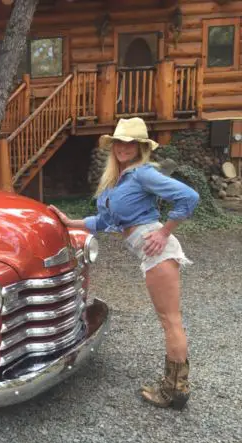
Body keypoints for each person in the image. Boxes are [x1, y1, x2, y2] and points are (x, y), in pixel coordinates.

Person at [49, 117, 199, 410]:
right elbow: (105, 221)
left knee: (171, 321)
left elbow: (189, 197)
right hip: (150, 252)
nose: (123, 147)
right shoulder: (118, 181)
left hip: (159, 250)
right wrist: (70, 223)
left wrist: (165, 231)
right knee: (169, 320)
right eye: (120, 142)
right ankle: (175, 388)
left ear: (140, 148)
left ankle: (174, 391)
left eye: (131, 143)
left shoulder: (143, 174)